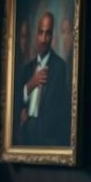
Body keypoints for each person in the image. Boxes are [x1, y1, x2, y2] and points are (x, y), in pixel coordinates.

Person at [13, 11, 72, 146]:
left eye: (48, 33)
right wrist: (30, 85)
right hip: (26, 136)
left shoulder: (60, 67)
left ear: (52, 36)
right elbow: (15, 103)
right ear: (36, 34)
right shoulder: (27, 69)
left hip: (48, 139)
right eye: (41, 32)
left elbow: (63, 110)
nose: (43, 39)